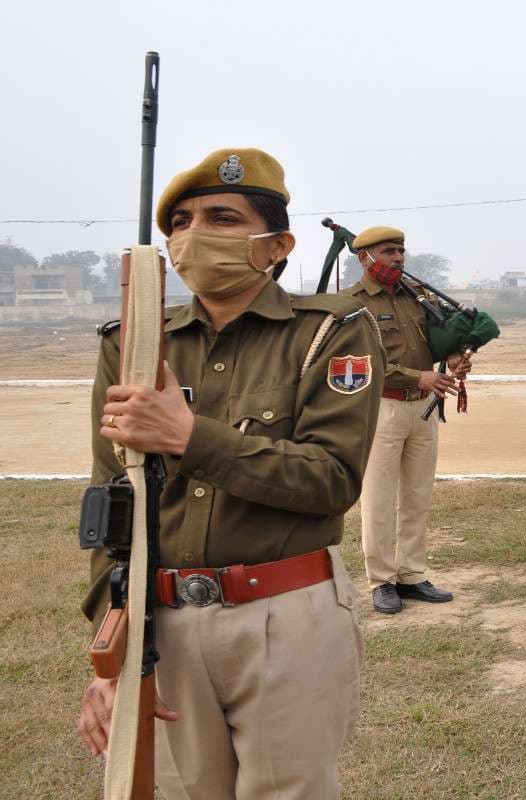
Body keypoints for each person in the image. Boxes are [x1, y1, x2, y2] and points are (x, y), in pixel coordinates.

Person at [76, 148, 385, 798]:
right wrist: (111, 651)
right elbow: (112, 507)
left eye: (220, 218)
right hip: (163, 627)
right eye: (180, 223)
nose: (193, 236)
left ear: (276, 245)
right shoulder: (131, 345)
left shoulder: (329, 333)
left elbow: (330, 479)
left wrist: (190, 437)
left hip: (284, 615)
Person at [343, 226, 469, 614]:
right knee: (379, 498)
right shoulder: (350, 303)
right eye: (388, 251)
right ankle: (381, 580)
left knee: (417, 495)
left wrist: (452, 359)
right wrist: (418, 376)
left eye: (401, 251)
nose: (398, 258)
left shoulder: (418, 298)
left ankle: (411, 573)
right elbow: (359, 364)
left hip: (425, 408)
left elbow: (438, 341)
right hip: (383, 408)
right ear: (364, 257)